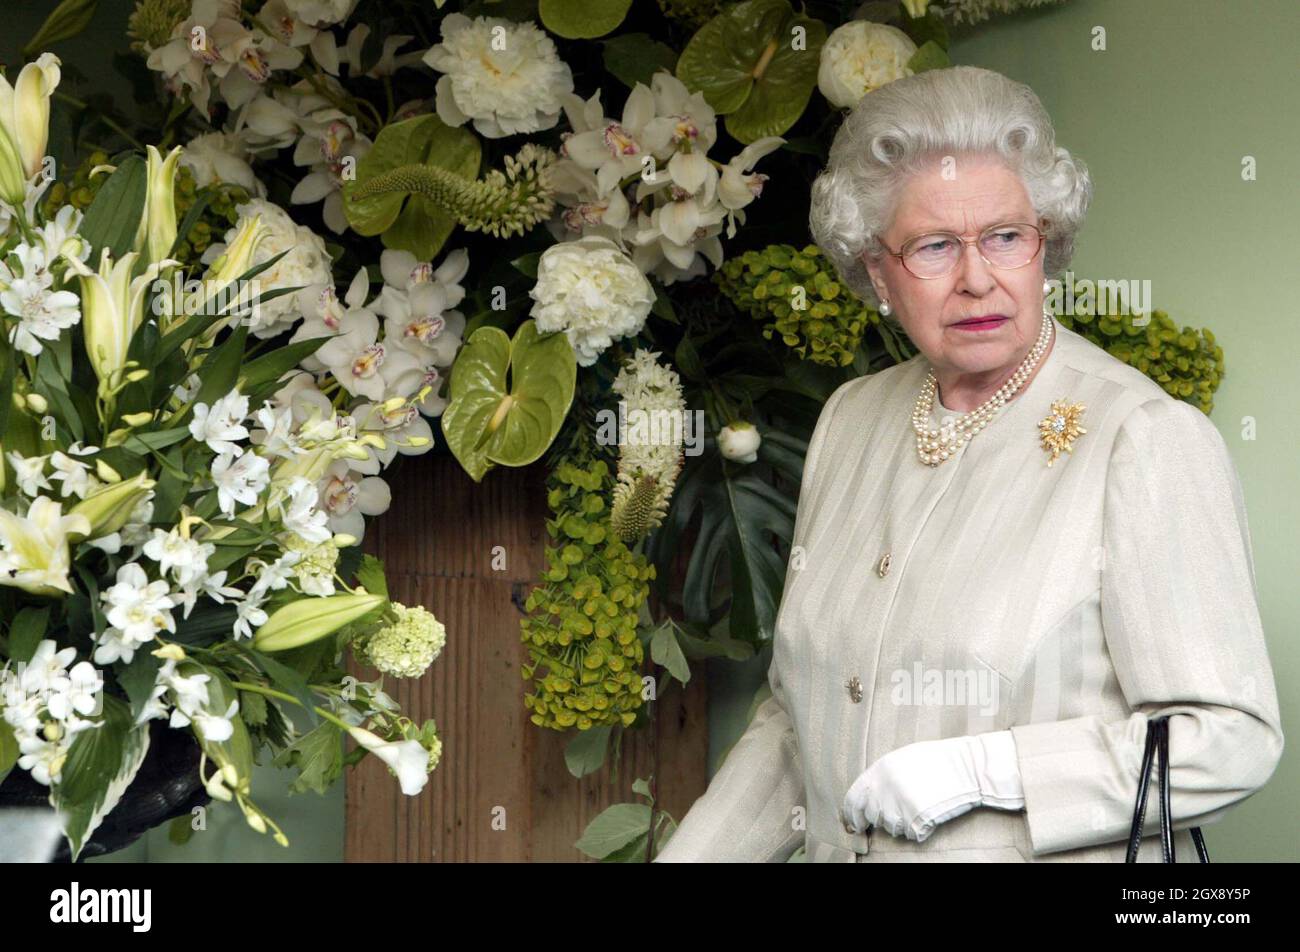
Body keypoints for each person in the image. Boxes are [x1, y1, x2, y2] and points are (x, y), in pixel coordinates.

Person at [654, 65, 1283, 862]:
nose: (977, 277)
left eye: (1006, 237)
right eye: (934, 247)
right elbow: (796, 726)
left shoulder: (1144, 439)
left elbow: (1228, 741)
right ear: (877, 272)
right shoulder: (852, 420)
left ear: (1045, 245)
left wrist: (994, 770)